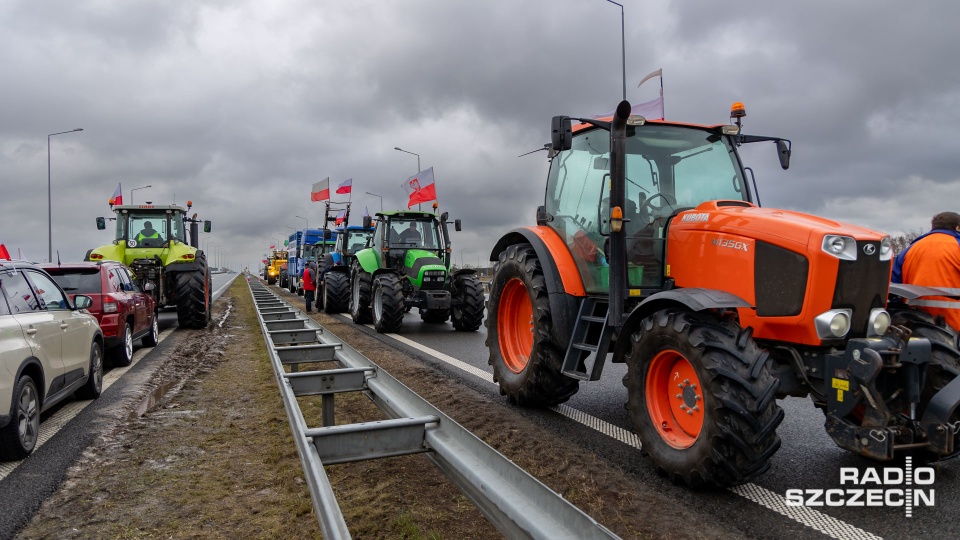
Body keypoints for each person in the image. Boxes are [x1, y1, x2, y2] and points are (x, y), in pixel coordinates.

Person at [892, 211, 960, 331]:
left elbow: (893, 287)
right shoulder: (957, 246)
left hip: (916, 324)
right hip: (954, 325)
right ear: (958, 228)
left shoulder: (911, 249)